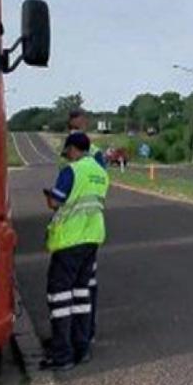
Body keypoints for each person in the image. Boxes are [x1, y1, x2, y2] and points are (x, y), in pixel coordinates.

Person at [40, 133, 109, 371]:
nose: (67, 154)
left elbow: (56, 202)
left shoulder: (72, 171)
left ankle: (62, 356)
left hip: (70, 241)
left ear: (72, 149)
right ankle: (82, 348)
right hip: (92, 239)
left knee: (59, 297)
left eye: (67, 150)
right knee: (82, 296)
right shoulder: (100, 172)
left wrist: (49, 196)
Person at [65, 107, 105, 342]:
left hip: (86, 230)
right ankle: (75, 333)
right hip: (70, 231)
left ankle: (85, 332)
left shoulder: (94, 154)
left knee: (85, 285)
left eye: (77, 128)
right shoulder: (67, 156)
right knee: (72, 288)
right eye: (71, 128)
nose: (74, 131)